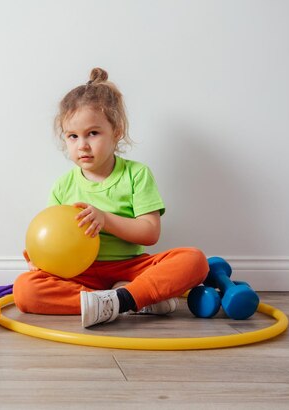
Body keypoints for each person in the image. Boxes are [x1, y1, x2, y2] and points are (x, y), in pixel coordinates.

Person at [13, 67, 209, 328]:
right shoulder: (63, 186)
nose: (82, 144)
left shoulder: (136, 174)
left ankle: (126, 296)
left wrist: (104, 219)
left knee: (195, 260)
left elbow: (150, 233)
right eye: (73, 136)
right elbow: (54, 241)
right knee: (25, 290)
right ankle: (124, 300)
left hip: (131, 267)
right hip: (81, 276)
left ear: (116, 131)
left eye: (92, 133)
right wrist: (41, 259)